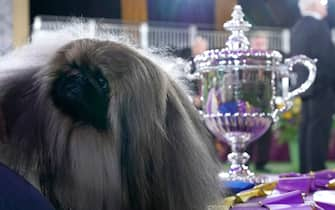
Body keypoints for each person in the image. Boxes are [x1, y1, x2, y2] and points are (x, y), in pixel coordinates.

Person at [291, 0, 335, 173]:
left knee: (307, 127)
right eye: (322, 2)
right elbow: (326, 60)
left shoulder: (297, 27)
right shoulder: (318, 26)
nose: (325, 6)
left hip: (305, 87)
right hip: (322, 86)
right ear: (314, 5)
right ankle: (317, 170)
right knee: (319, 129)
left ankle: (305, 169)